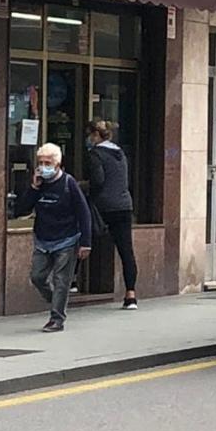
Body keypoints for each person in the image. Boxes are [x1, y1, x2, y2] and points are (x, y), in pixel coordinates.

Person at [12, 143, 92, 332]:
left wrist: (85, 243)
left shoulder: (68, 183)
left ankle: (57, 319)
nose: (43, 167)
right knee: (37, 276)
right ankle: (55, 299)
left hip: (67, 239)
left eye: (47, 163)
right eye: (40, 162)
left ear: (57, 165)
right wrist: (33, 188)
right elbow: (21, 210)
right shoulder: (38, 184)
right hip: (43, 239)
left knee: (61, 280)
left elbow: (84, 213)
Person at [86, 120, 138, 309]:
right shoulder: (120, 153)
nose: (89, 139)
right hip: (124, 205)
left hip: (104, 206)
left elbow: (98, 180)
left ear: (96, 136)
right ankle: (130, 294)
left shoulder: (95, 154)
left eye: (90, 135)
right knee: (126, 250)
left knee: (83, 241)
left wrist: (85, 189)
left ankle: (71, 283)